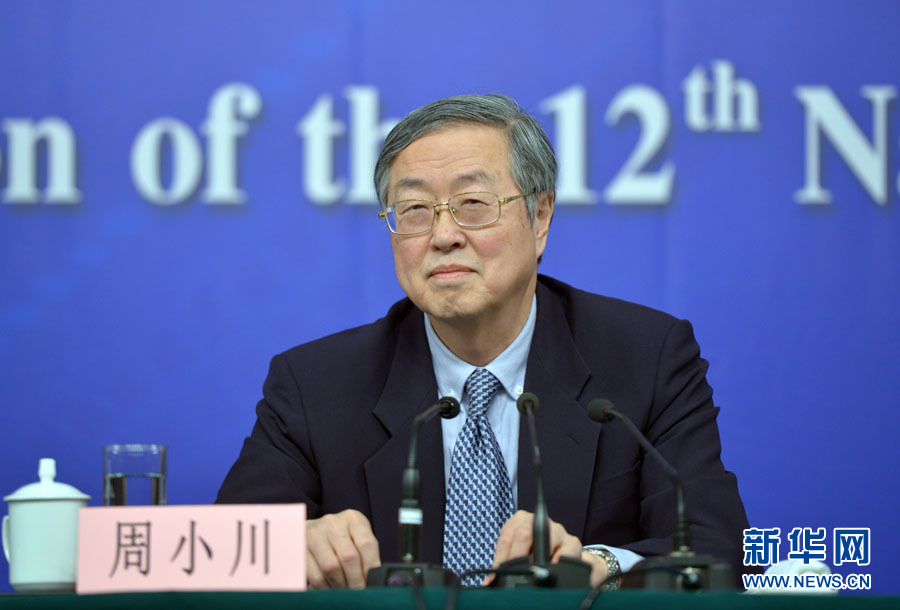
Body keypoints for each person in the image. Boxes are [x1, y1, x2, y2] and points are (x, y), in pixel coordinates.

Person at [217, 93, 752, 590]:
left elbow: (719, 547)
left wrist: (600, 564)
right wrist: (290, 547)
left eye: (473, 203)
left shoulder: (646, 358)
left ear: (540, 217)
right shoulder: (315, 384)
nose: (443, 235)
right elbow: (221, 550)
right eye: (414, 210)